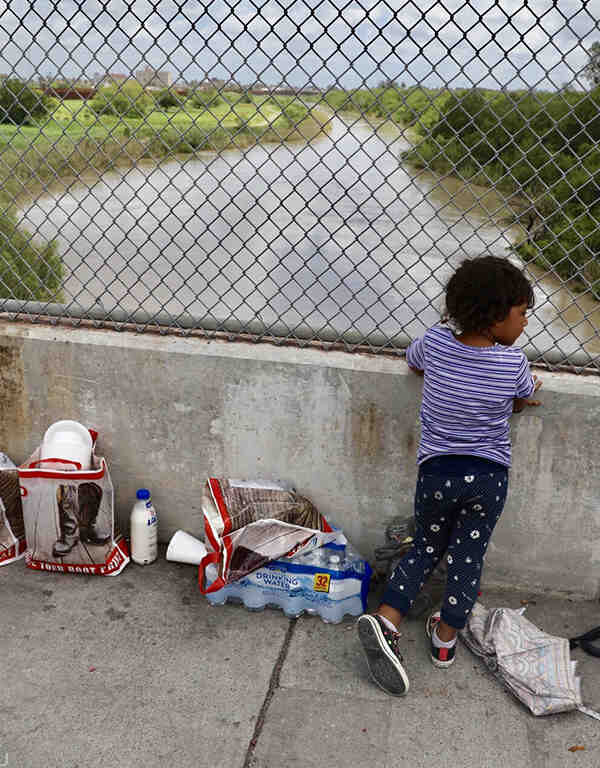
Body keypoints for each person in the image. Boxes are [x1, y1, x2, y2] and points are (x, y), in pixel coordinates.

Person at [357, 255, 542, 696]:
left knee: (424, 547)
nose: (525, 323)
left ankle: (387, 621)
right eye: (522, 314)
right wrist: (529, 393)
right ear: (496, 317)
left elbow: (414, 361)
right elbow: (520, 399)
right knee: (467, 557)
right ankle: (444, 641)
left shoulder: (436, 343)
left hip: (437, 473)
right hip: (488, 478)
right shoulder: (512, 363)